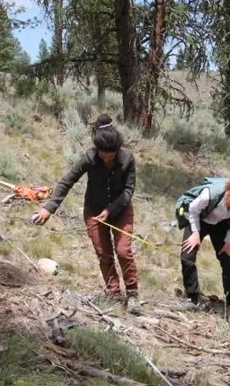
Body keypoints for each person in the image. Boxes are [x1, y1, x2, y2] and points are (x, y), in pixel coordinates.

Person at [32, 114, 141, 315]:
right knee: (104, 254)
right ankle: (114, 295)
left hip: (121, 210)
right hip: (94, 211)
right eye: (103, 154)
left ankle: (133, 294)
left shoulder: (127, 159)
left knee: (123, 251)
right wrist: (49, 208)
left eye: (110, 155)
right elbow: (67, 181)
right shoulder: (90, 158)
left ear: (117, 150)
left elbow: (128, 190)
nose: (106, 158)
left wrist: (111, 210)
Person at [176, 178, 230, 325]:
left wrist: (228, 242)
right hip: (200, 218)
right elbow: (193, 210)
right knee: (187, 255)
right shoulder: (210, 195)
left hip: (222, 226)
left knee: (228, 263)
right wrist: (195, 233)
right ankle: (193, 298)